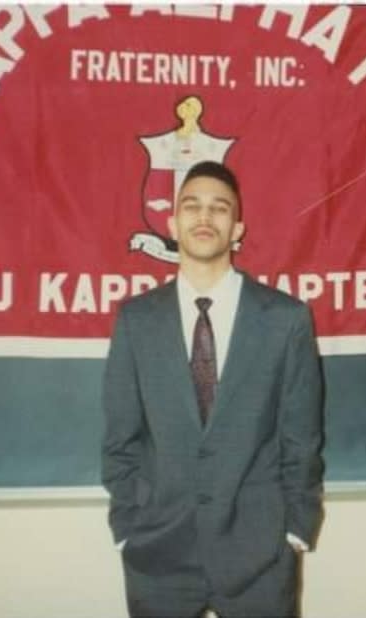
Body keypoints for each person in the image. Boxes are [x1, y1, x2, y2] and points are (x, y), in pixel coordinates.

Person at [102, 161, 324, 618]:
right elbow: (119, 437)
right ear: (172, 222)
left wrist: (296, 529)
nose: (205, 217)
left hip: (260, 556)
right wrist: (127, 526)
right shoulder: (136, 320)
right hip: (157, 554)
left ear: (236, 227)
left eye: (219, 208)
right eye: (192, 206)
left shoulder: (285, 319)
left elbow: (302, 437)